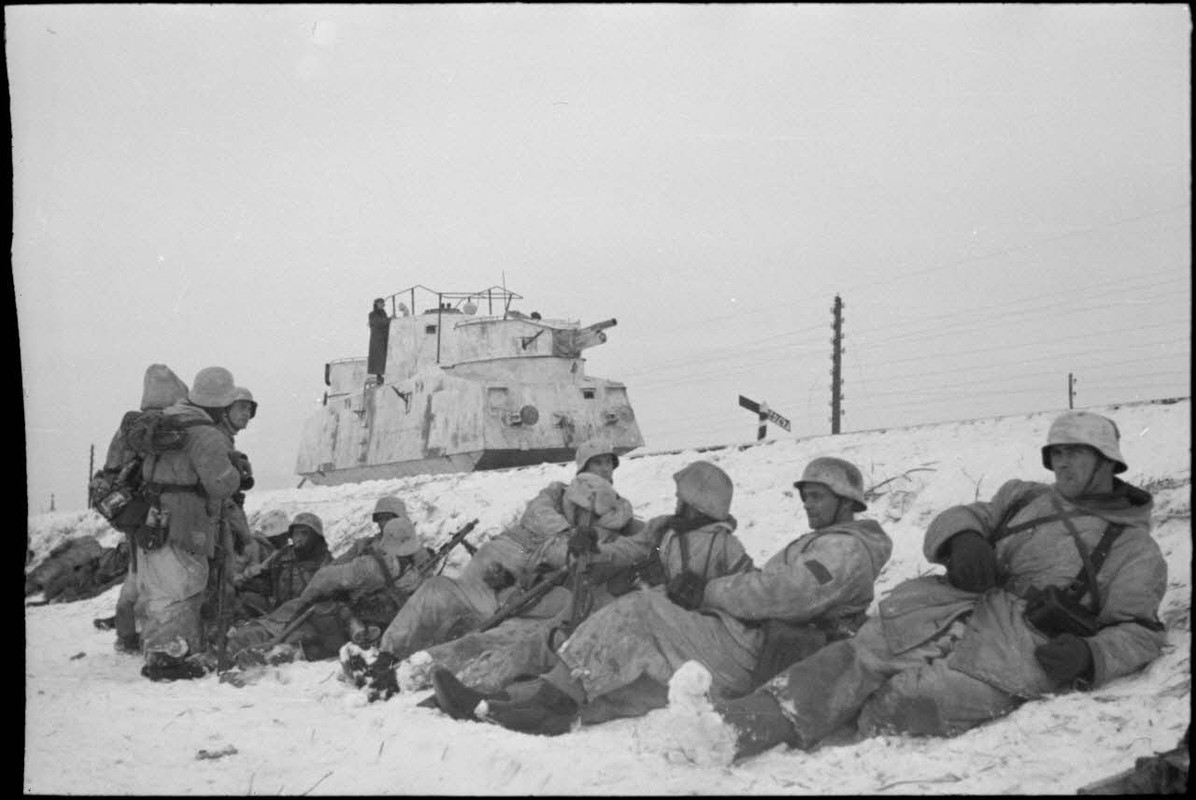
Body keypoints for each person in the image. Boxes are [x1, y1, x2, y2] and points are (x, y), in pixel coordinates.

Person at [650, 411, 1168, 766]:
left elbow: (1140, 631)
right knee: (851, 660)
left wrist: (1089, 655)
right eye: (1057, 454)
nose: (1062, 464)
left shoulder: (1134, 549)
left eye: (1076, 454)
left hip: (1016, 648)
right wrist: (963, 539)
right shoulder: (1023, 497)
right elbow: (962, 514)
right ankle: (734, 730)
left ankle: (836, 732)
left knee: (912, 702)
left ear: (1108, 461)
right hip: (943, 609)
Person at [432, 457, 894, 736]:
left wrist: (705, 591)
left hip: (769, 654)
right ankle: (507, 702)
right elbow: (636, 549)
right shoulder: (668, 533)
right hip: (752, 647)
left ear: (845, 500)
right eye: (806, 497)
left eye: (817, 497)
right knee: (634, 683)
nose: (808, 505)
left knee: (639, 613)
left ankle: (543, 706)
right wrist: (594, 550)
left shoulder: (845, 549)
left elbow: (784, 593)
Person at [378, 439, 648, 662]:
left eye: (608, 463)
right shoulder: (555, 494)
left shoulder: (619, 513)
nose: (604, 469)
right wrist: (570, 536)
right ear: (581, 468)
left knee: (509, 633)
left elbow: (635, 544)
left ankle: (424, 664)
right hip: (506, 559)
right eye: (596, 462)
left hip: (535, 588)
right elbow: (539, 516)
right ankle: (387, 655)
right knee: (437, 591)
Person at [137, 366, 243, 681]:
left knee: (160, 588)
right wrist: (237, 472)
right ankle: (169, 658)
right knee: (185, 584)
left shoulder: (169, 420)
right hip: (186, 517)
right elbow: (221, 485)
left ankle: (161, 650)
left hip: (153, 514)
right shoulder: (206, 433)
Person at [225, 514, 435, 671]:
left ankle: (229, 655)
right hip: (365, 631)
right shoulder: (419, 571)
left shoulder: (370, 566)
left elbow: (326, 577)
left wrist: (304, 601)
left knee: (276, 631)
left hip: (342, 620)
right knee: (295, 640)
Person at [89, 363, 191, 653]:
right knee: (160, 581)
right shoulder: (168, 427)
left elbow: (111, 471)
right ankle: (153, 639)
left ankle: (126, 635)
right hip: (158, 512)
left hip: (132, 513)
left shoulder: (128, 429)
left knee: (135, 577)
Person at [331, 495, 413, 566]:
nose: (383, 523)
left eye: (388, 517)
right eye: (380, 518)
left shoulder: (411, 548)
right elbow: (331, 568)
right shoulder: (362, 544)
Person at [367, 297, 390, 385]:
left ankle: (381, 377)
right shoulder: (372, 314)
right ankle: (379, 378)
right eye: (379, 303)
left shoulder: (383, 313)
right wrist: (389, 319)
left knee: (382, 359)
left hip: (383, 338)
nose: (381, 305)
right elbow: (379, 322)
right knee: (378, 360)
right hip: (377, 340)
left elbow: (384, 322)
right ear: (376, 304)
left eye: (382, 303)